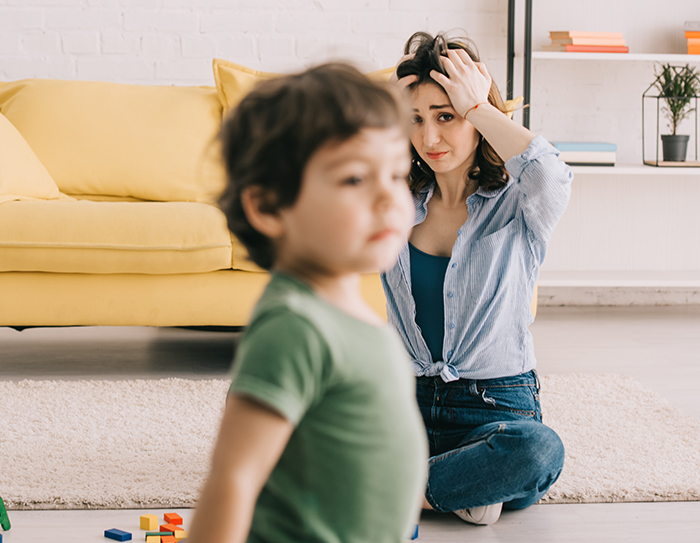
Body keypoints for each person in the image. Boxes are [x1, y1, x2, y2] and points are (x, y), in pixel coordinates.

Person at [187, 63, 428, 543]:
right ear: (271, 206)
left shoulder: (354, 312)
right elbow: (234, 477)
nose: (389, 197)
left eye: (398, 174)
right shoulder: (295, 326)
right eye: (356, 179)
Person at [383, 31, 571, 526]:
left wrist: (480, 108)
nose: (430, 138)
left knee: (537, 452)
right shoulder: (394, 202)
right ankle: (456, 487)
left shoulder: (517, 202)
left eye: (446, 116)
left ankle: (386, 489)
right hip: (407, 406)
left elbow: (551, 174)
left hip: (494, 409)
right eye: (416, 120)